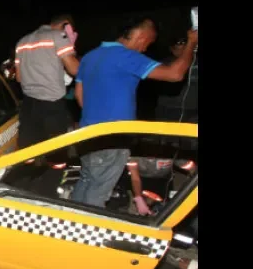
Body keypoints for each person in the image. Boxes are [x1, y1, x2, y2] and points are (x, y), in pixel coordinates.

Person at [70, 18, 198, 208]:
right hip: (112, 138)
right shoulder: (126, 56)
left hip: (86, 134)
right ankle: (85, 233)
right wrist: (191, 43)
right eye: (148, 43)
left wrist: (97, 116)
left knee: (86, 181)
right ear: (140, 36)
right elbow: (175, 74)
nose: (145, 49)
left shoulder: (90, 56)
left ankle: (71, 220)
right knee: (98, 192)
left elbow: (80, 95)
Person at [14, 14, 80, 149]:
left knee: (28, 150)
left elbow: (19, 78)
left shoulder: (22, 42)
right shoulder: (59, 36)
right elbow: (74, 69)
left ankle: (28, 169)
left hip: (29, 104)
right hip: (53, 105)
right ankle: (56, 169)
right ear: (66, 25)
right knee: (57, 153)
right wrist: (71, 47)